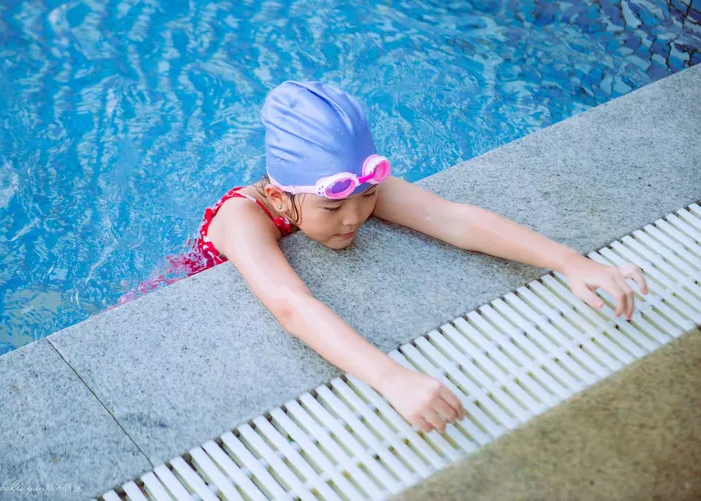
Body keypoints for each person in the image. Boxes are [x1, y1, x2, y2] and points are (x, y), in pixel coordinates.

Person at [116, 80, 649, 434]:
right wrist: (392, 378)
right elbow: (292, 306)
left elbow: (455, 219)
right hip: (188, 278)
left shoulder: (353, 185)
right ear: (279, 196)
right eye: (333, 208)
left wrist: (572, 262)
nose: (355, 217)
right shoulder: (244, 218)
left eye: (368, 197)